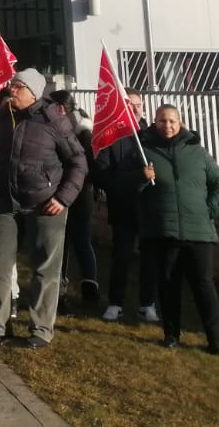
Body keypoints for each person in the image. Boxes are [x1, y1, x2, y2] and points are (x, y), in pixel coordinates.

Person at [0, 69, 87, 349]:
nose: (12, 91)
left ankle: (41, 330)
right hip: (4, 202)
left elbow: (78, 162)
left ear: (34, 92)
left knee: (44, 269)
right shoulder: (2, 117)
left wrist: (63, 199)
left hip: (45, 204)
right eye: (12, 86)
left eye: (19, 87)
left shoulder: (54, 120)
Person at [134, 104, 219, 354]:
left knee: (204, 285)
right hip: (163, 231)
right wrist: (141, 178)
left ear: (180, 123)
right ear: (155, 122)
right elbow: (129, 190)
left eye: (172, 121)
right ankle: (171, 334)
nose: (167, 126)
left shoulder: (197, 151)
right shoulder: (144, 152)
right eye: (162, 121)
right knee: (168, 284)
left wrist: (212, 211)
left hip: (199, 231)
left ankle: (215, 340)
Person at [92, 89, 160, 323]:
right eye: (129, 104)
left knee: (150, 258)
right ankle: (115, 303)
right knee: (121, 258)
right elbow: (102, 174)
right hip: (123, 208)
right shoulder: (112, 137)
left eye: (138, 104)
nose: (134, 108)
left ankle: (147, 303)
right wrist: (135, 177)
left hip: (150, 208)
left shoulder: (152, 135)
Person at [48, 90, 101, 312]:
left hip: (66, 189)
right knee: (82, 239)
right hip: (84, 190)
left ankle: (61, 291)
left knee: (63, 242)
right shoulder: (84, 123)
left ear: (60, 107)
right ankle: (90, 283)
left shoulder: (64, 127)